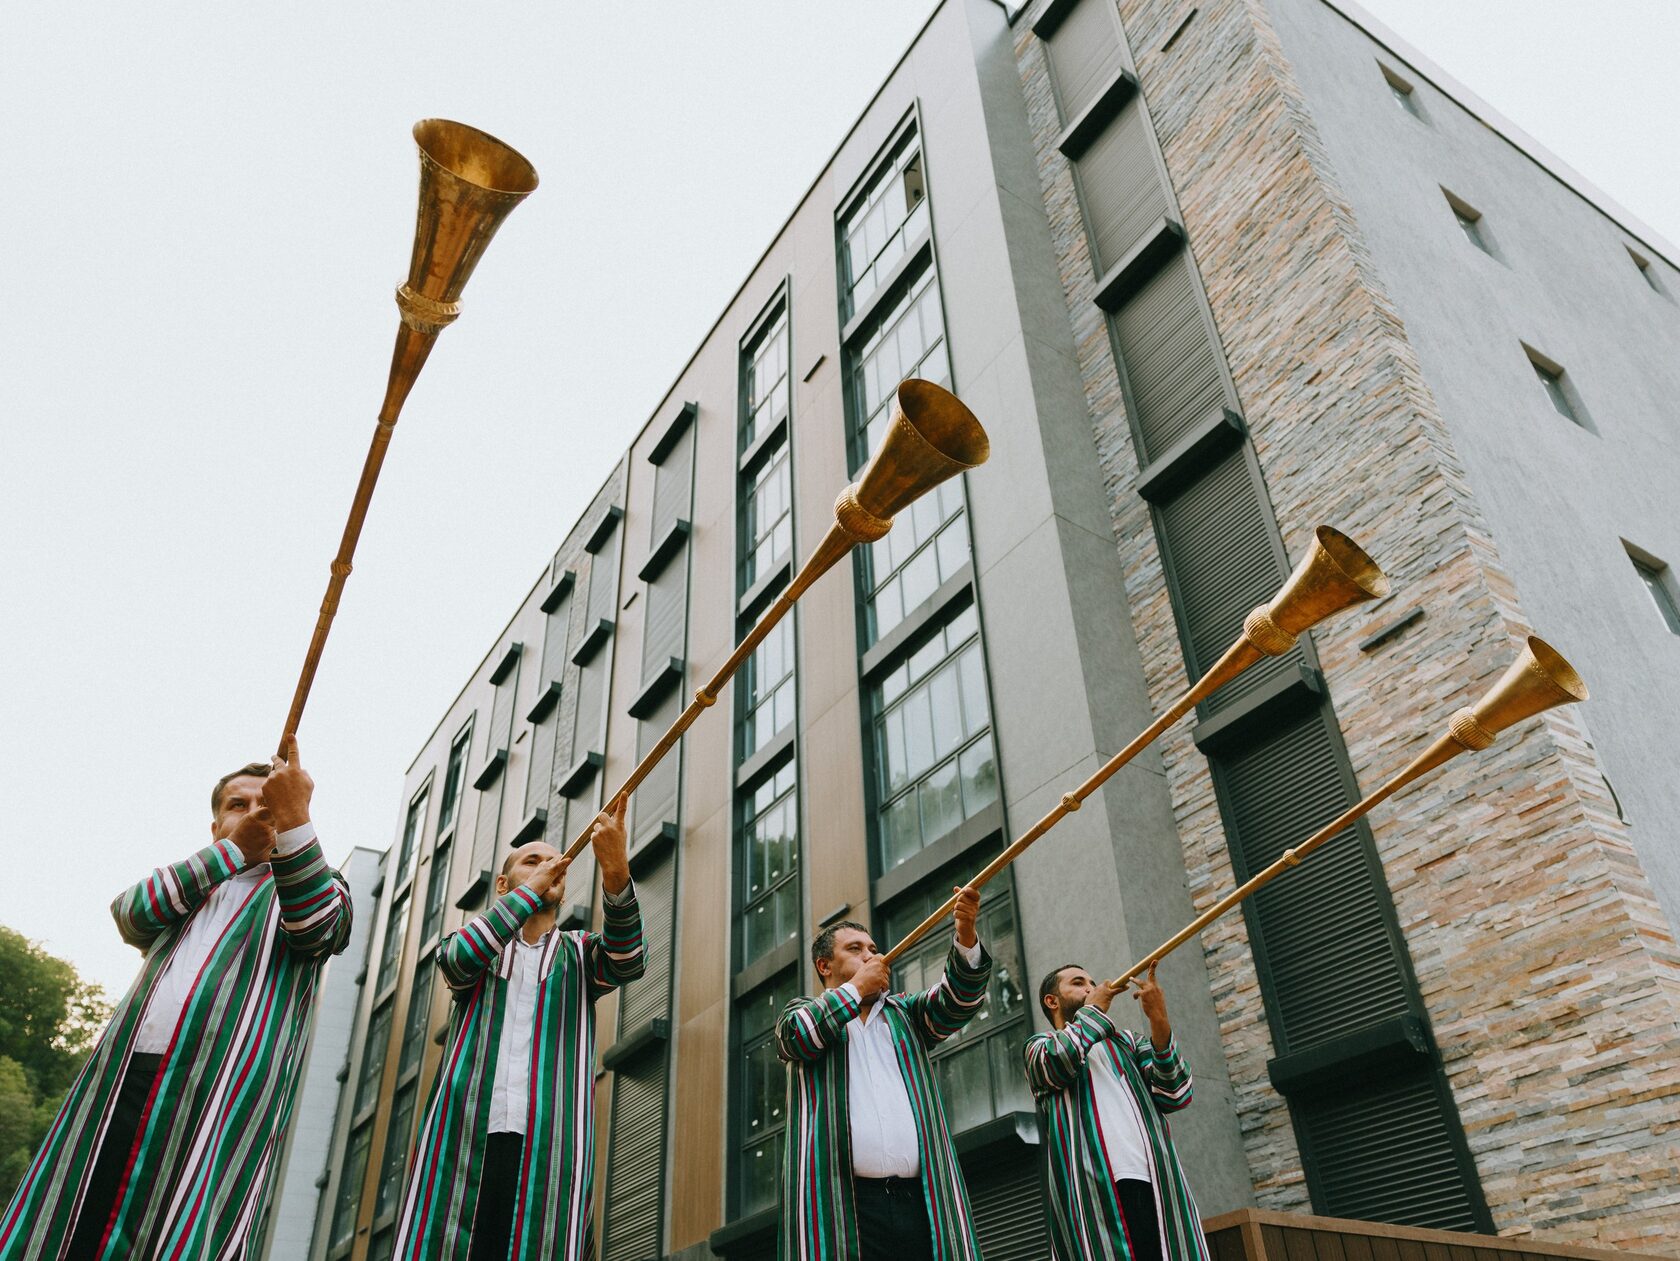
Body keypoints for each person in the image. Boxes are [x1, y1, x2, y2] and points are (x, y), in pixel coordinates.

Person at [0, 737, 352, 1260]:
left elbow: (319, 927)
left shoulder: (317, 885)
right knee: (79, 1214)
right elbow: (130, 913)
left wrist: (295, 813)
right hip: (125, 1075)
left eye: (268, 803)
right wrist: (233, 852)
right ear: (215, 827)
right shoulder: (191, 885)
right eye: (238, 804)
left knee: (176, 1221)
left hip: (217, 1089)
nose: (255, 812)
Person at [391, 798, 644, 1261]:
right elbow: (457, 961)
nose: (549, 866)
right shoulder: (475, 944)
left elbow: (627, 960)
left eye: (555, 863)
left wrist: (615, 871)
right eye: (533, 861)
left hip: (550, 1144)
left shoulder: (580, 954)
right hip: (463, 1138)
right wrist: (531, 891)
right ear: (504, 885)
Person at [776, 887, 990, 1261]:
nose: (871, 955)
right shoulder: (801, 1012)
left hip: (920, 1200)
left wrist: (966, 932)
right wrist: (857, 987)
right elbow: (797, 1039)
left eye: (873, 949)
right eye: (855, 949)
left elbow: (959, 1002)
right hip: (846, 1207)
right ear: (824, 966)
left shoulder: (906, 1014)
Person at [1025, 961, 1210, 1261]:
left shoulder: (1128, 1043)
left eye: (1092, 982)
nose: (1091, 987)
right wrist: (1094, 1008)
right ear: (1052, 1001)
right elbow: (1059, 1061)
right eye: (1078, 983)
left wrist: (1159, 1019)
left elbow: (1176, 1094)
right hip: (1093, 1193)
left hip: (1156, 1184)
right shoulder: (1040, 1046)